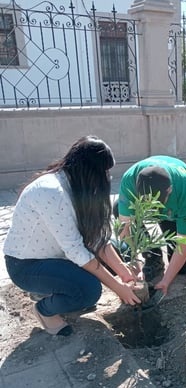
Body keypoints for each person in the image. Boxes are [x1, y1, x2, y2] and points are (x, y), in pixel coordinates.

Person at [3, 136, 141, 336]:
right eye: (104, 172)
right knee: (89, 290)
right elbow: (77, 251)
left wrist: (125, 275)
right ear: (89, 170)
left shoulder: (78, 186)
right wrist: (118, 287)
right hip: (27, 265)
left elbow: (97, 239)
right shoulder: (52, 192)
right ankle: (45, 310)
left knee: (120, 249)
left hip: (58, 256)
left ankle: (57, 288)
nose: (107, 177)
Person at [115, 155, 186, 296]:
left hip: (175, 213)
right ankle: (153, 257)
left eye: (157, 205)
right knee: (117, 209)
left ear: (169, 190)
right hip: (166, 209)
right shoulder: (130, 179)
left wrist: (166, 280)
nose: (152, 210)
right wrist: (136, 268)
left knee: (183, 269)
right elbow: (124, 229)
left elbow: (182, 245)